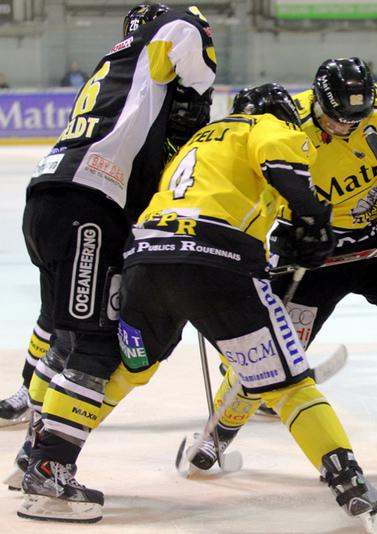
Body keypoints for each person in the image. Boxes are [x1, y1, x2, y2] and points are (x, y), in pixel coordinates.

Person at [191, 57, 377, 486]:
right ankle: (215, 437)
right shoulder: (283, 128)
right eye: (334, 118)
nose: (344, 127)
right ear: (316, 102)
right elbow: (249, 190)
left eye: (355, 118)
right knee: (267, 352)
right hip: (315, 256)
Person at [116, 82, 377, 524]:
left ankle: (50, 452)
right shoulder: (266, 131)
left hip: (149, 259)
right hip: (220, 266)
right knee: (284, 381)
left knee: (130, 369)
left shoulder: (201, 144)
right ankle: (347, 479)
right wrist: (311, 227)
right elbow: (283, 195)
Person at [14, 3, 216, 522]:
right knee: (98, 343)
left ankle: (33, 457)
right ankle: (50, 473)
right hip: (90, 200)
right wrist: (198, 105)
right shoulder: (169, 30)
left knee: (65, 335)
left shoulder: (119, 65)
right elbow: (189, 39)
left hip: (50, 197)